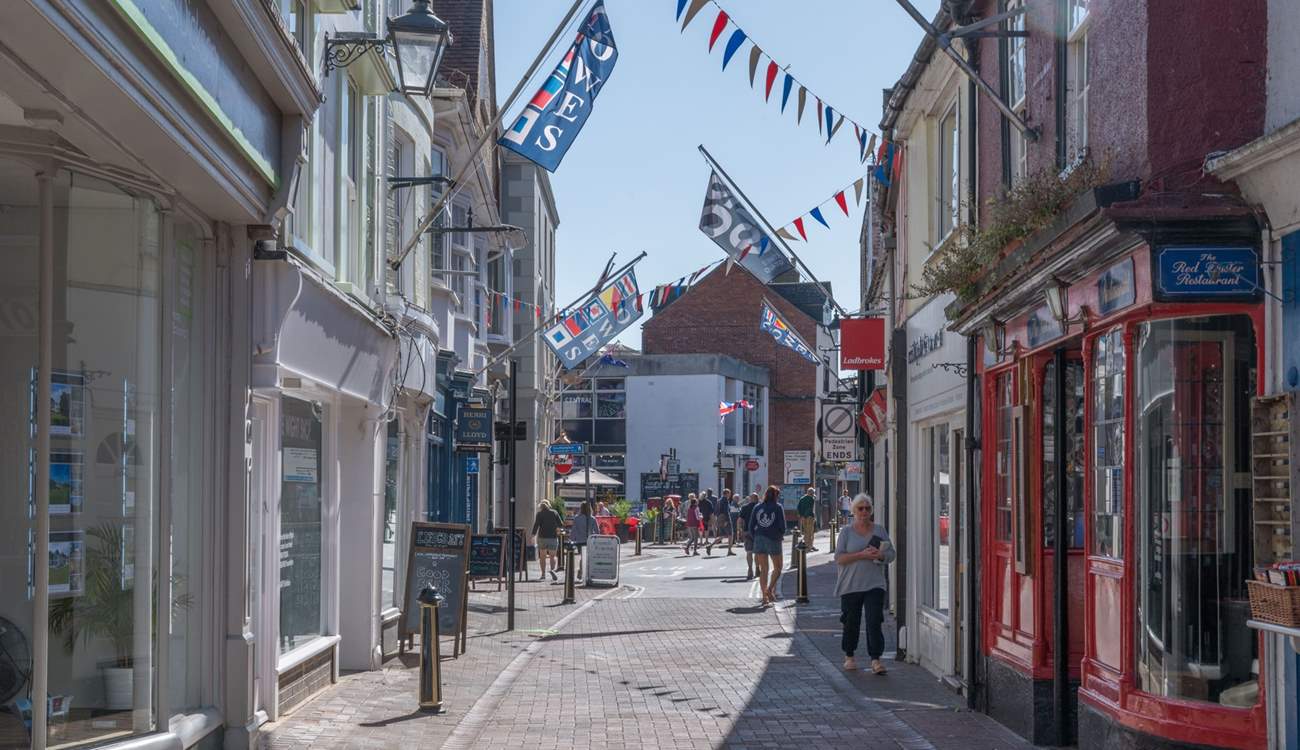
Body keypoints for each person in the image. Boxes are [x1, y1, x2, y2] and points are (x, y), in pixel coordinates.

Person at [835, 493, 896, 674]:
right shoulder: (846, 532)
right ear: (853, 511)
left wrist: (880, 555)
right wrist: (861, 555)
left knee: (874, 620)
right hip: (851, 584)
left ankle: (876, 660)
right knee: (851, 622)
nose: (864, 511)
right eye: (860, 508)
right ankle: (849, 655)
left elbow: (891, 554)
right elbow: (839, 558)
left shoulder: (879, 530)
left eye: (867, 508)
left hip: (874, 584)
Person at [750, 486, 787, 605]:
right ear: (776, 495)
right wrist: (780, 535)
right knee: (778, 567)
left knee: (763, 569)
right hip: (773, 539)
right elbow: (783, 526)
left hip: (759, 538)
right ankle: (770, 589)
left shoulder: (757, 507)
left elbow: (751, 526)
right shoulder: (778, 507)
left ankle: (765, 597)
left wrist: (756, 536)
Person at [531, 500, 563, 581]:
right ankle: (552, 571)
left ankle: (543, 574)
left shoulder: (539, 514)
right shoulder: (554, 512)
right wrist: (557, 530)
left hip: (542, 538)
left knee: (542, 557)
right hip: (553, 537)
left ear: (541, 507)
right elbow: (560, 524)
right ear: (549, 505)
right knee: (553, 556)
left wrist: (532, 536)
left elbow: (536, 525)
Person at [570, 501, 598, 581]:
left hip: (580, 541)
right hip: (590, 541)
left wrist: (571, 540)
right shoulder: (593, 519)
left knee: (583, 557)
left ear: (581, 508)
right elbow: (597, 531)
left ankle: (581, 571)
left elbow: (574, 531)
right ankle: (585, 572)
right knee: (588, 557)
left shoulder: (577, 518)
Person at [737, 492, 759, 578]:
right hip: (758, 532)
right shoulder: (760, 507)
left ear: (750, 498)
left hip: (747, 532)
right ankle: (757, 568)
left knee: (749, 552)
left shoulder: (745, 507)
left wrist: (739, 531)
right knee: (757, 552)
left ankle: (750, 569)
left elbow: (740, 520)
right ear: (757, 498)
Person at [797, 487, 818, 552]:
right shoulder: (812, 499)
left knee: (806, 532)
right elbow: (811, 509)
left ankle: (807, 545)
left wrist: (801, 516)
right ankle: (809, 547)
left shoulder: (802, 499)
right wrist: (811, 516)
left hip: (803, 518)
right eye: (813, 493)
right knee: (810, 533)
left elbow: (798, 508)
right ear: (812, 493)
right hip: (810, 517)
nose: (813, 494)